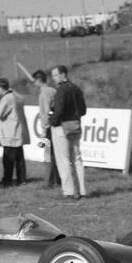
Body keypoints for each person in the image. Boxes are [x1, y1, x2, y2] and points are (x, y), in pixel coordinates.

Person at [48, 64, 87, 199]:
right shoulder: (76, 88)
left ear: (63, 74)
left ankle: (69, 191)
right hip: (76, 125)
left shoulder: (61, 90)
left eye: (55, 75)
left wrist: (52, 121)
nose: (53, 78)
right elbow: (83, 110)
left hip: (61, 127)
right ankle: (81, 190)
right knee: (77, 158)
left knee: (64, 160)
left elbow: (58, 110)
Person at [0, 77, 30, 186]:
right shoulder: (16, 96)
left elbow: (0, 114)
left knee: (8, 160)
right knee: (19, 159)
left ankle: (7, 180)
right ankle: (22, 180)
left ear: (1, 88)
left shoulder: (7, 98)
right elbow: (22, 99)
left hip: (10, 133)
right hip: (17, 132)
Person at [32, 69, 60, 189]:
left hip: (49, 128)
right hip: (57, 125)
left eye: (34, 81)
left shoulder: (43, 93)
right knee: (56, 155)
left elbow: (45, 113)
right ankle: (57, 180)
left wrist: (44, 129)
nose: (34, 83)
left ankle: (48, 182)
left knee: (48, 155)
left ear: (39, 80)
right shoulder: (53, 90)